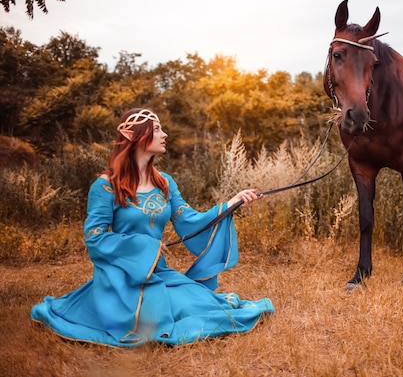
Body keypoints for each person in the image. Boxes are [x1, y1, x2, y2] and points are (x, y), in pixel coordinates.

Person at [31, 108, 274, 347]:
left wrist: (231, 203)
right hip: (122, 277)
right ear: (134, 136)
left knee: (203, 305)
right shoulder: (105, 186)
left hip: (159, 272)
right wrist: (146, 246)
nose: (164, 134)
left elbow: (189, 220)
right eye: (156, 129)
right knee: (155, 321)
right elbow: (95, 238)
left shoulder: (165, 183)